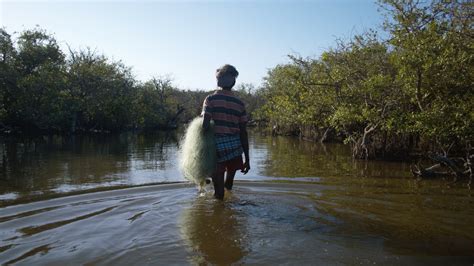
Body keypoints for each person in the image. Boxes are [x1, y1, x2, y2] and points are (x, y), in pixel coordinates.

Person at [202, 64, 250, 200]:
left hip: (217, 150)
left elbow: (205, 125)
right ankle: (231, 213)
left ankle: (221, 216)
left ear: (218, 81)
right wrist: (247, 159)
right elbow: (243, 132)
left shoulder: (210, 99)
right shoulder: (239, 103)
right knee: (228, 186)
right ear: (234, 82)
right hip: (235, 149)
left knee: (218, 194)